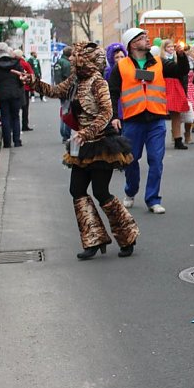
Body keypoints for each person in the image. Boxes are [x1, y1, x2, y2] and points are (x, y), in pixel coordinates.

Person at [20, 42, 139, 260]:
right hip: (81, 144)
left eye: (80, 59)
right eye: (75, 59)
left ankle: (127, 234)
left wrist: (86, 133)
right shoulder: (76, 80)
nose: (76, 62)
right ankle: (93, 238)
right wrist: (33, 82)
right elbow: (55, 91)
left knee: (101, 192)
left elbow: (106, 113)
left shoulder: (98, 82)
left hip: (102, 144)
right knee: (76, 189)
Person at [107, 27, 187, 214]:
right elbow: (112, 93)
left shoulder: (159, 62)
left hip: (156, 119)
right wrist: (114, 116)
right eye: (143, 38)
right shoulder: (121, 66)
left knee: (156, 160)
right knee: (131, 160)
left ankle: (153, 199)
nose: (148, 39)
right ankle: (130, 190)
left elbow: (180, 71)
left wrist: (181, 56)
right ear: (133, 44)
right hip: (133, 120)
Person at [0, 44, 25, 148]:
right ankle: (17, 141)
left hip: (2, 94)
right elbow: (22, 78)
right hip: (15, 93)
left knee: (5, 117)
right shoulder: (16, 63)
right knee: (15, 117)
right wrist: (19, 87)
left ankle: (7, 142)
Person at [161, 39, 191, 150]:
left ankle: (178, 139)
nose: (171, 49)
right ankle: (157, 139)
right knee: (158, 114)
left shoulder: (178, 58)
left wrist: (181, 56)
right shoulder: (159, 60)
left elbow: (184, 70)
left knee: (176, 114)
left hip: (175, 85)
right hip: (163, 86)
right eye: (168, 47)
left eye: (172, 47)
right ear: (163, 49)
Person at [54, 46, 74, 142]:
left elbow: (56, 78)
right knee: (68, 112)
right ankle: (66, 134)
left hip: (60, 90)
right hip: (68, 91)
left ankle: (63, 133)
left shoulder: (58, 62)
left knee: (63, 110)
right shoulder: (68, 64)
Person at [13, 49, 34, 131]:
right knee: (25, 108)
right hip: (25, 88)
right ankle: (25, 125)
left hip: (15, 88)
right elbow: (31, 75)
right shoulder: (25, 63)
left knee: (16, 108)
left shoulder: (12, 64)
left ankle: (14, 126)